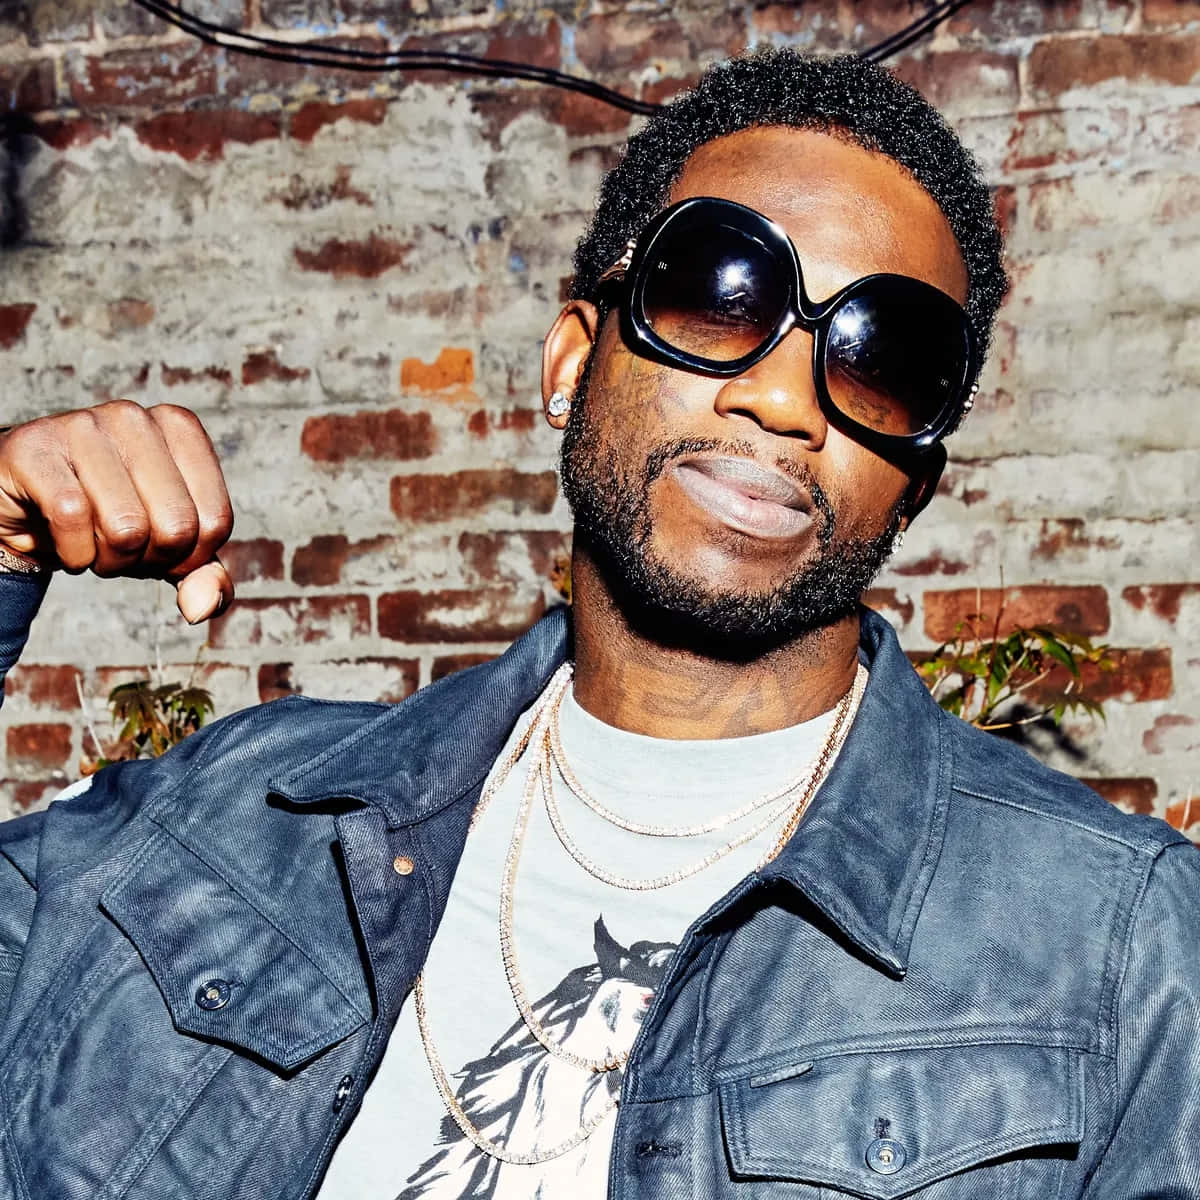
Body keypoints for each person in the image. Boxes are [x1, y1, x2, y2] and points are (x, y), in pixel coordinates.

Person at [0, 47, 1196, 1200]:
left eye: (883, 358)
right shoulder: (231, 823)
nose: (780, 399)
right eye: (718, 289)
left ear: (916, 483)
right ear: (571, 364)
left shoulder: (1120, 944)